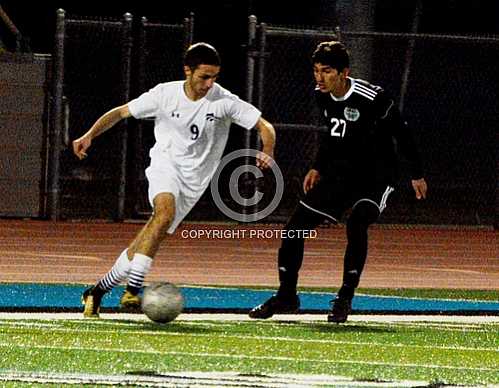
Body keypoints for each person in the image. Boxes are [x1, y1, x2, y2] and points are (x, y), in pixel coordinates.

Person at [73, 42, 276, 318]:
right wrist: (89, 135)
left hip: (194, 183)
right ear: (187, 71)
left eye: (214, 76)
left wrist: (268, 150)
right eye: (204, 76)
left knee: (148, 237)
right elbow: (120, 112)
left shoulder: (224, 100)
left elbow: (264, 127)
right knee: (164, 212)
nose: (210, 83)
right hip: (165, 166)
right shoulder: (164, 94)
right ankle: (133, 289)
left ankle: (97, 291)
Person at [249, 41, 427, 323]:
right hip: (341, 175)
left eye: (327, 71)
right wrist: (318, 167)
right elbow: (331, 135)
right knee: (294, 228)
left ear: (344, 73)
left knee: (357, 222)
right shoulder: (323, 95)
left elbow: (402, 133)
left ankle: (344, 297)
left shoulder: (372, 98)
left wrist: (416, 173)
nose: (319, 77)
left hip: (377, 177)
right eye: (316, 70)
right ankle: (286, 296)